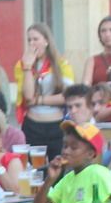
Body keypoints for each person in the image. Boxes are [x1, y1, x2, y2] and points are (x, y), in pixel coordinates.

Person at [34, 120, 111, 203]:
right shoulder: (66, 180)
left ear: (90, 154)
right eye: (65, 146)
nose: (66, 151)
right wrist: (49, 180)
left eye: (74, 148)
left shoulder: (99, 172)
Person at [14, 21, 71, 157]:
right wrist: (27, 67)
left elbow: (67, 96)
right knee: (33, 170)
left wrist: (39, 100)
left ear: (46, 41)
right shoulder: (22, 64)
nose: (32, 43)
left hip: (56, 125)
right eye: (29, 40)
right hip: (33, 125)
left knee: (57, 168)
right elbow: (28, 97)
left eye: (36, 39)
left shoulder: (61, 63)